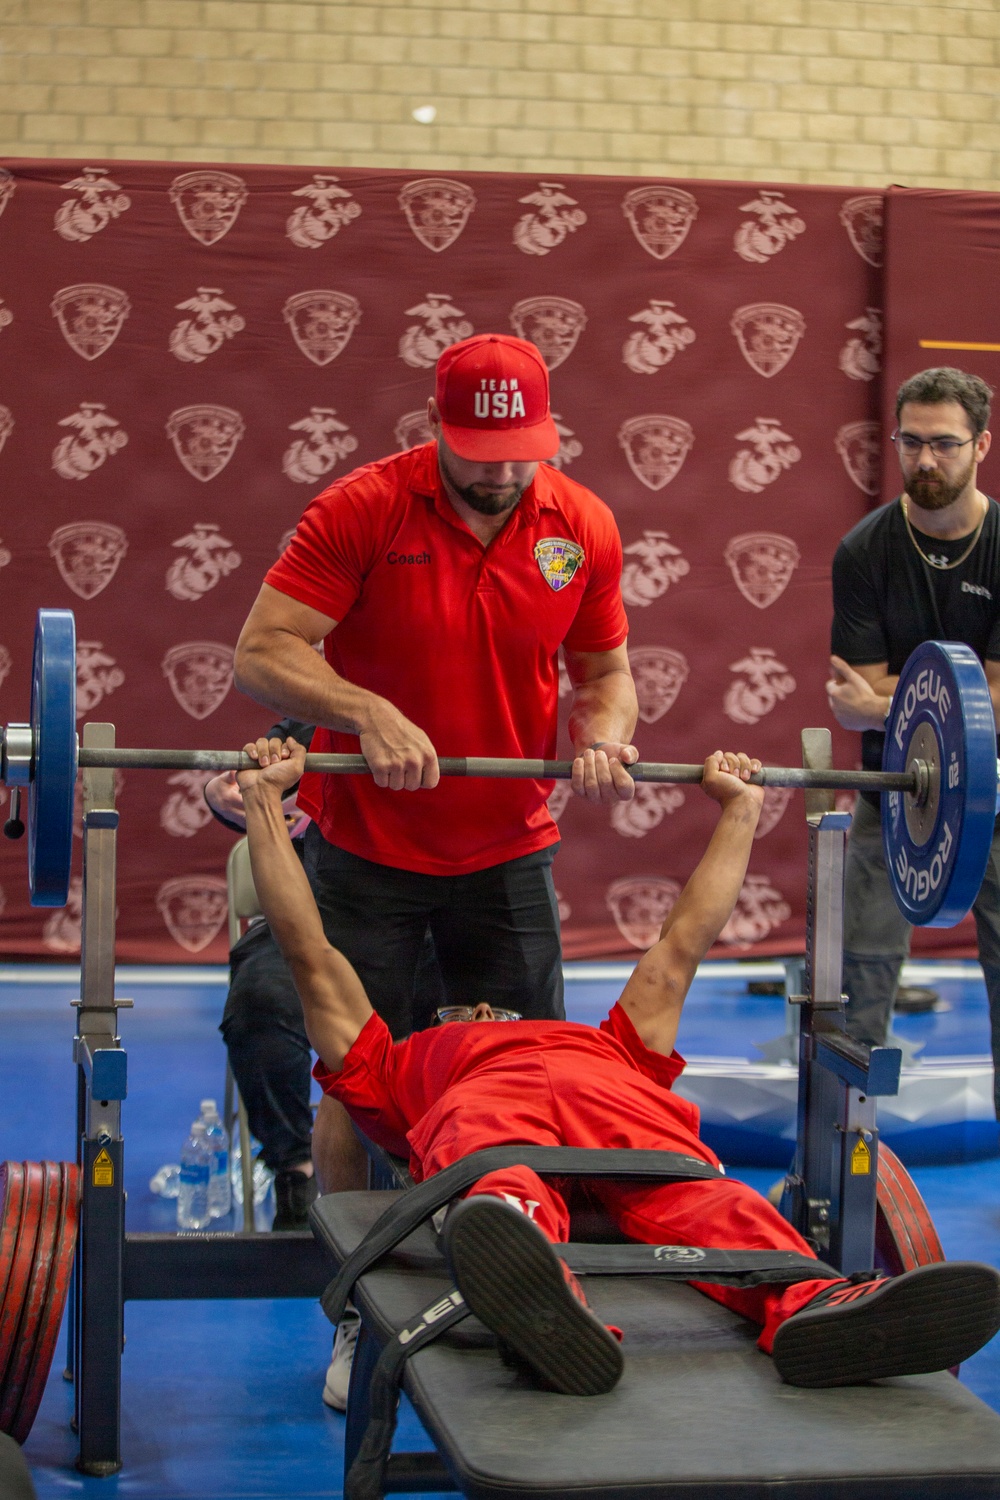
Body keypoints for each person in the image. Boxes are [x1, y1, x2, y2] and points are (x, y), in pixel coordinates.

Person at [235, 734, 1000, 1396]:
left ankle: (812, 1304)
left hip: (627, 1127)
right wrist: (267, 807)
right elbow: (310, 952)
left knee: (715, 1206)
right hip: (491, 1127)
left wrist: (740, 809)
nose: (474, 1008)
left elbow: (681, 943)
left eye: (483, 1007)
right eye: (459, 1010)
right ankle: (535, 1297)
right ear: (447, 1022)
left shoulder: (607, 1043)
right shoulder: (399, 1065)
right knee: (503, 1190)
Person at [233, 332, 639, 1205]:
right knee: (356, 1078)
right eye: (479, 456)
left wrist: (602, 734)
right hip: (368, 847)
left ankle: (518, 1274)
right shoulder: (363, 508)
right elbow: (263, 651)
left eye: (519, 457)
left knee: (529, 1077)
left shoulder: (582, 525)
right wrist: (364, 711)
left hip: (506, 846)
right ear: (432, 425)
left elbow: (604, 676)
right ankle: (349, 1298)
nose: (499, 477)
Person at [827, 367, 1000, 1101]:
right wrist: (958, 697)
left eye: (944, 444)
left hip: (994, 802)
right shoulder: (865, 551)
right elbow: (847, 699)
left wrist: (886, 703)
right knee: (854, 994)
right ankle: (845, 1180)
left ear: (981, 445)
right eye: (912, 442)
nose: (926, 460)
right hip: (888, 798)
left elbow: (876, 699)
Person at [205, 720, 445, 1229]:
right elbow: (240, 785)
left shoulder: (446, 716)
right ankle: (294, 1167)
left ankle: (442, 1167)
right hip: (306, 915)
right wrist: (221, 791)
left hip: (412, 921)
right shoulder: (311, 721)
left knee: (459, 1014)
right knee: (259, 1005)